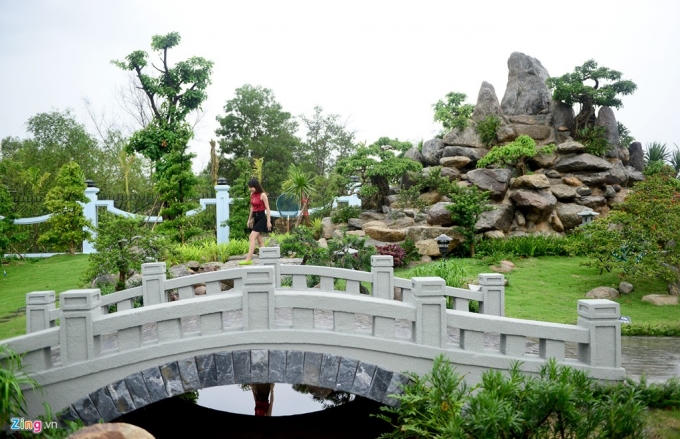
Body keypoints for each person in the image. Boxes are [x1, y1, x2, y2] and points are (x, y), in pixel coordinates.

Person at [239, 178, 271, 265]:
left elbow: (268, 208)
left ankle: (248, 259)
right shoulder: (252, 194)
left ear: (256, 186)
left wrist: (268, 221)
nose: (250, 189)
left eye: (251, 187)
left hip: (261, 218)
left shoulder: (263, 195)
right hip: (255, 218)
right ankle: (267, 259)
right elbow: (252, 208)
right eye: (249, 187)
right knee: (259, 240)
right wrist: (249, 219)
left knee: (251, 237)